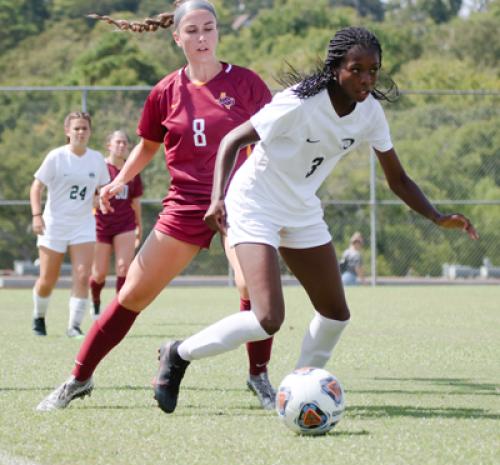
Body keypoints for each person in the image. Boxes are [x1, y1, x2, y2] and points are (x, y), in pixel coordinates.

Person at [147, 26, 479, 414]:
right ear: (336, 68)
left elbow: (398, 179)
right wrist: (217, 196)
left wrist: (437, 216)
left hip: (300, 208)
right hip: (255, 201)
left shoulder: (370, 113)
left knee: (336, 314)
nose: (366, 79)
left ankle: (299, 390)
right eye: (357, 69)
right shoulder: (298, 102)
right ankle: (178, 353)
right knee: (268, 317)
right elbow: (232, 140)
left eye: (373, 70)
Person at [36, 0, 276, 411]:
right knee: (131, 295)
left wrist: (260, 189)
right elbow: (148, 147)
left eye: (209, 29)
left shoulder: (247, 84)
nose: (202, 38)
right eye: (193, 31)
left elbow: (270, 142)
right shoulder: (166, 91)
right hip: (184, 207)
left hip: (239, 204)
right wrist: (118, 182)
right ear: (176, 36)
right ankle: (78, 379)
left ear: (218, 32)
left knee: (250, 288)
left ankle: (258, 376)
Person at [30, 111, 110, 338]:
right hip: (54, 225)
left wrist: (100, 199)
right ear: (67, 131)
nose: (81, 132)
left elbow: (102, 189)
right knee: (48, 279)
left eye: (85, 128)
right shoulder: (56, 157)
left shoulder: (96, 159)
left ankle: (73, 326)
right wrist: (37, 215)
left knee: (83, 275)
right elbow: (36, 187)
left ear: (90, 131)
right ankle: (39, 317)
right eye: (76, 128)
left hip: (83, 225)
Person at [89, 130, 143, 319]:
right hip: (100, 226)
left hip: (125, 224)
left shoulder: (132, 171)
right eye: (117, 142)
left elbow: (135, 202)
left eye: (124, 143)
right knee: (99, 274)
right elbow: (90, 198)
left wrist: (139, 226)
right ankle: (95, 302)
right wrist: (96, 204)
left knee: (123, 268)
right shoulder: (99, 168)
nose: (121, 146)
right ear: (109, 145)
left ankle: (117, 313)